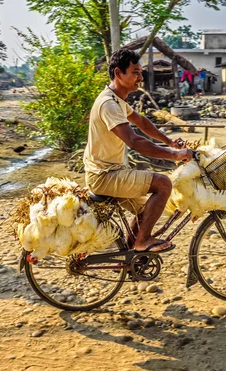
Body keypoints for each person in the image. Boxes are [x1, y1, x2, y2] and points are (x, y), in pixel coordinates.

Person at [83, 49, 193, 253]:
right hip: (104, 175)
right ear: (118, 73)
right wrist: (174, 155)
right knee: (162, 183)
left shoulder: (117, 101)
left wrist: (169, 141)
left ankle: (128, 255)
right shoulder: (108, 104)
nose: (140, 78)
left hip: (113, 171)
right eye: (135, 72)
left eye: (141, 73)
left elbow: (142, 122)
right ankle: (142, 241)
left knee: (147, 209)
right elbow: (134, 141)